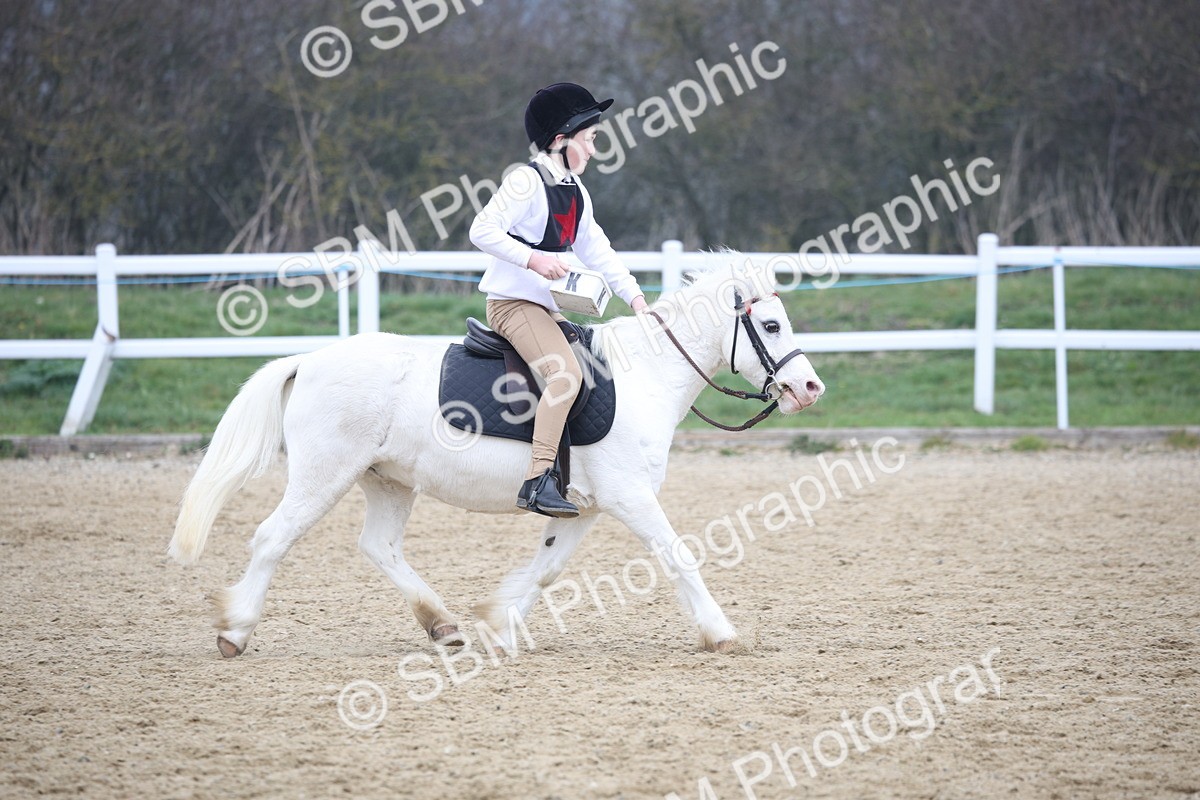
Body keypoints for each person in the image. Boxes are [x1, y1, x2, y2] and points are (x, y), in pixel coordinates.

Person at [469, 82, 648, 518]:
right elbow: (481, 230)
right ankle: (538, 480)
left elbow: (599, 252)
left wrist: (638, 300)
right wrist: (534, 259)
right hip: (512, 306)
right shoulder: (525, 182)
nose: (593, 148)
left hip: (544, 309)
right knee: (565, 375)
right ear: (560, 140)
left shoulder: (576, 192)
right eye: (589, 139)